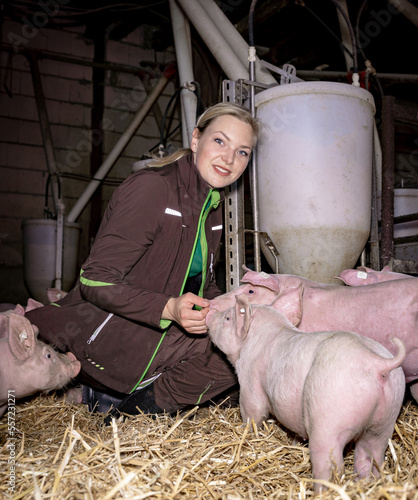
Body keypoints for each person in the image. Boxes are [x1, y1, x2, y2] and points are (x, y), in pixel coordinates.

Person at [25, 102, 261, 419]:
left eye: (243, 151)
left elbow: (204, 283)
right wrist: (168, 308)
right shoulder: (154, 189)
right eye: (220, 141)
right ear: (195, 140)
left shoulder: (212, 208)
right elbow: (95, 280)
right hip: (104, 339)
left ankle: (123, 398)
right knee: (238, 359)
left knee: (252, 342)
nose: (230, 159)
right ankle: (132, 409)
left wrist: (229, 304)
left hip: (153, 336)